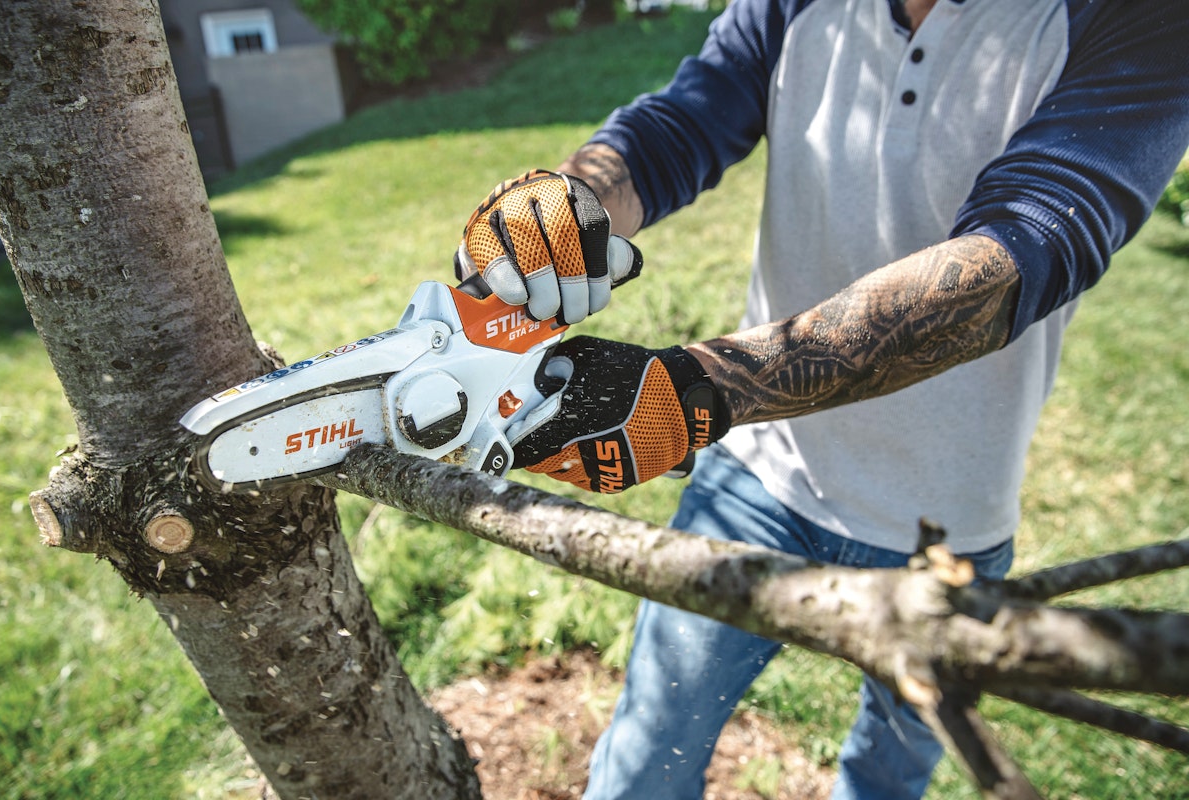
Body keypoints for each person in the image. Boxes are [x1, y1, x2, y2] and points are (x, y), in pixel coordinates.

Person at [454, 1, 1189, 797]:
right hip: (760, 480)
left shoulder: (1141, 21)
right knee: (647, 756)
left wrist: (697, 392)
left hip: (947, 523)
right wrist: (571, 201)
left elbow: (1023, 247)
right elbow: (683, 125)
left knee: (884, 781)